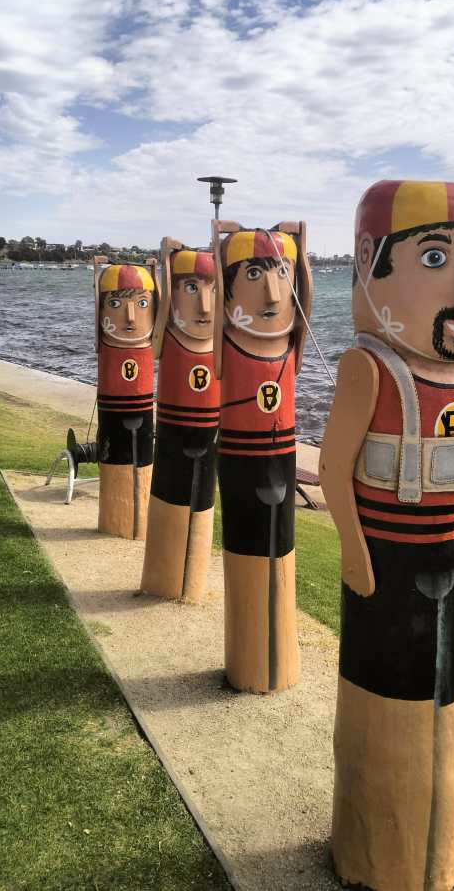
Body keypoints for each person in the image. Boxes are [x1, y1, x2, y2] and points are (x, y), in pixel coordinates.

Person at [320, 181, 454, 891]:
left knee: (447, 699)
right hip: (387, 557)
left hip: (452, 548)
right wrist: (353, 549)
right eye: (434, 257)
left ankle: (433, 857)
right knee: (388, 697)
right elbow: (334, 468)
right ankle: (377, 852)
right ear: (369, 261)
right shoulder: (368, 370)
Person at [212, 223, 312, 693]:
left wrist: (301, 249)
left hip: (281, 454)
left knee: (281, 549)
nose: (273, 293)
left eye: (282, 273)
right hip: (241, 457)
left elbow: (304, 307)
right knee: (250, 546)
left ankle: (275, 662)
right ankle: (251, 662)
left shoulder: (291, 346)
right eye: (254, 274)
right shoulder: (226, 346)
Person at [141, 243, 220, 601]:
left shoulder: (222, 345)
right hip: (173, 434)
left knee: (202, 504)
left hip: (209, 435)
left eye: (214, 290)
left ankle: (189, 583)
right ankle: (165, 581)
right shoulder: (169, 338)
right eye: (191, 288)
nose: (204, 306)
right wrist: (164, 264)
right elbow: (155, 334)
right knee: (171, 494)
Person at [95, 260, 157, 540]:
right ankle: (118, 524)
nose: (130, 317)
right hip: (113, 412)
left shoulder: (149, 344)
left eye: (142, 304)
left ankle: (138, 524)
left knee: (143, 457)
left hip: (142, 412)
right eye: (116, 304)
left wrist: (158, 269)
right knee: (117, 455)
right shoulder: (105, 345)